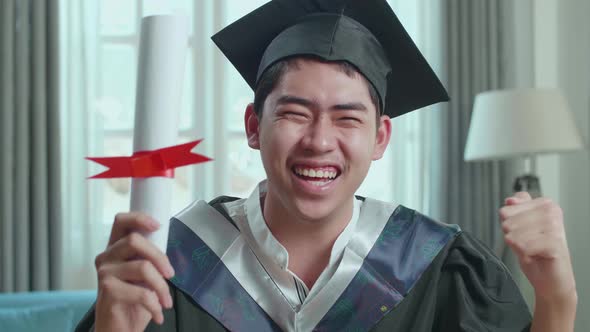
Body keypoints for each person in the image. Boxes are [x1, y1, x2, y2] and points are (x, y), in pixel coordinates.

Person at [76, 0, 577, 331]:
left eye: (347, 118)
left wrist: (557, 295)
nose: (319, 141)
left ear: (380, 137)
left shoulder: (437, 265)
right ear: (253, 127)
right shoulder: (172, 261)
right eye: (295, 113)